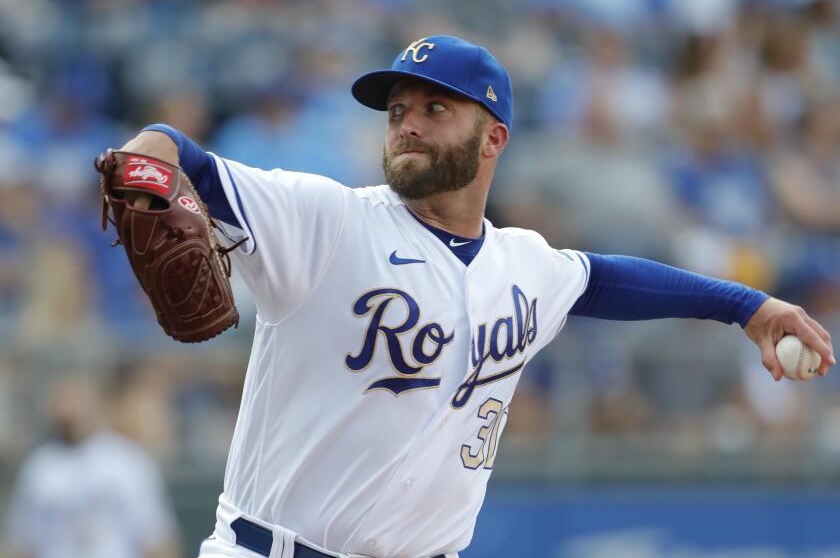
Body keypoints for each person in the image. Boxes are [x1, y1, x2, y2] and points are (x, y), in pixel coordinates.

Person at [115, 35, 834, 558]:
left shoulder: (524, 265)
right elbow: (172, 147)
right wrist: (147, 163)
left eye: (435, 108)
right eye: (397, 109)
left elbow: (611, 279)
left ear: (494, 139)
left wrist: (749, 306)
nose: (408, 123)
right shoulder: (327, 219)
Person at [2, 372, 181, 558]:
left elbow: (158, 540)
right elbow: (20, 543)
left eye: (75, 398)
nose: (68, 409)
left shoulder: (127, 461)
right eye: (61, 399)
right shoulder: (40, 466)